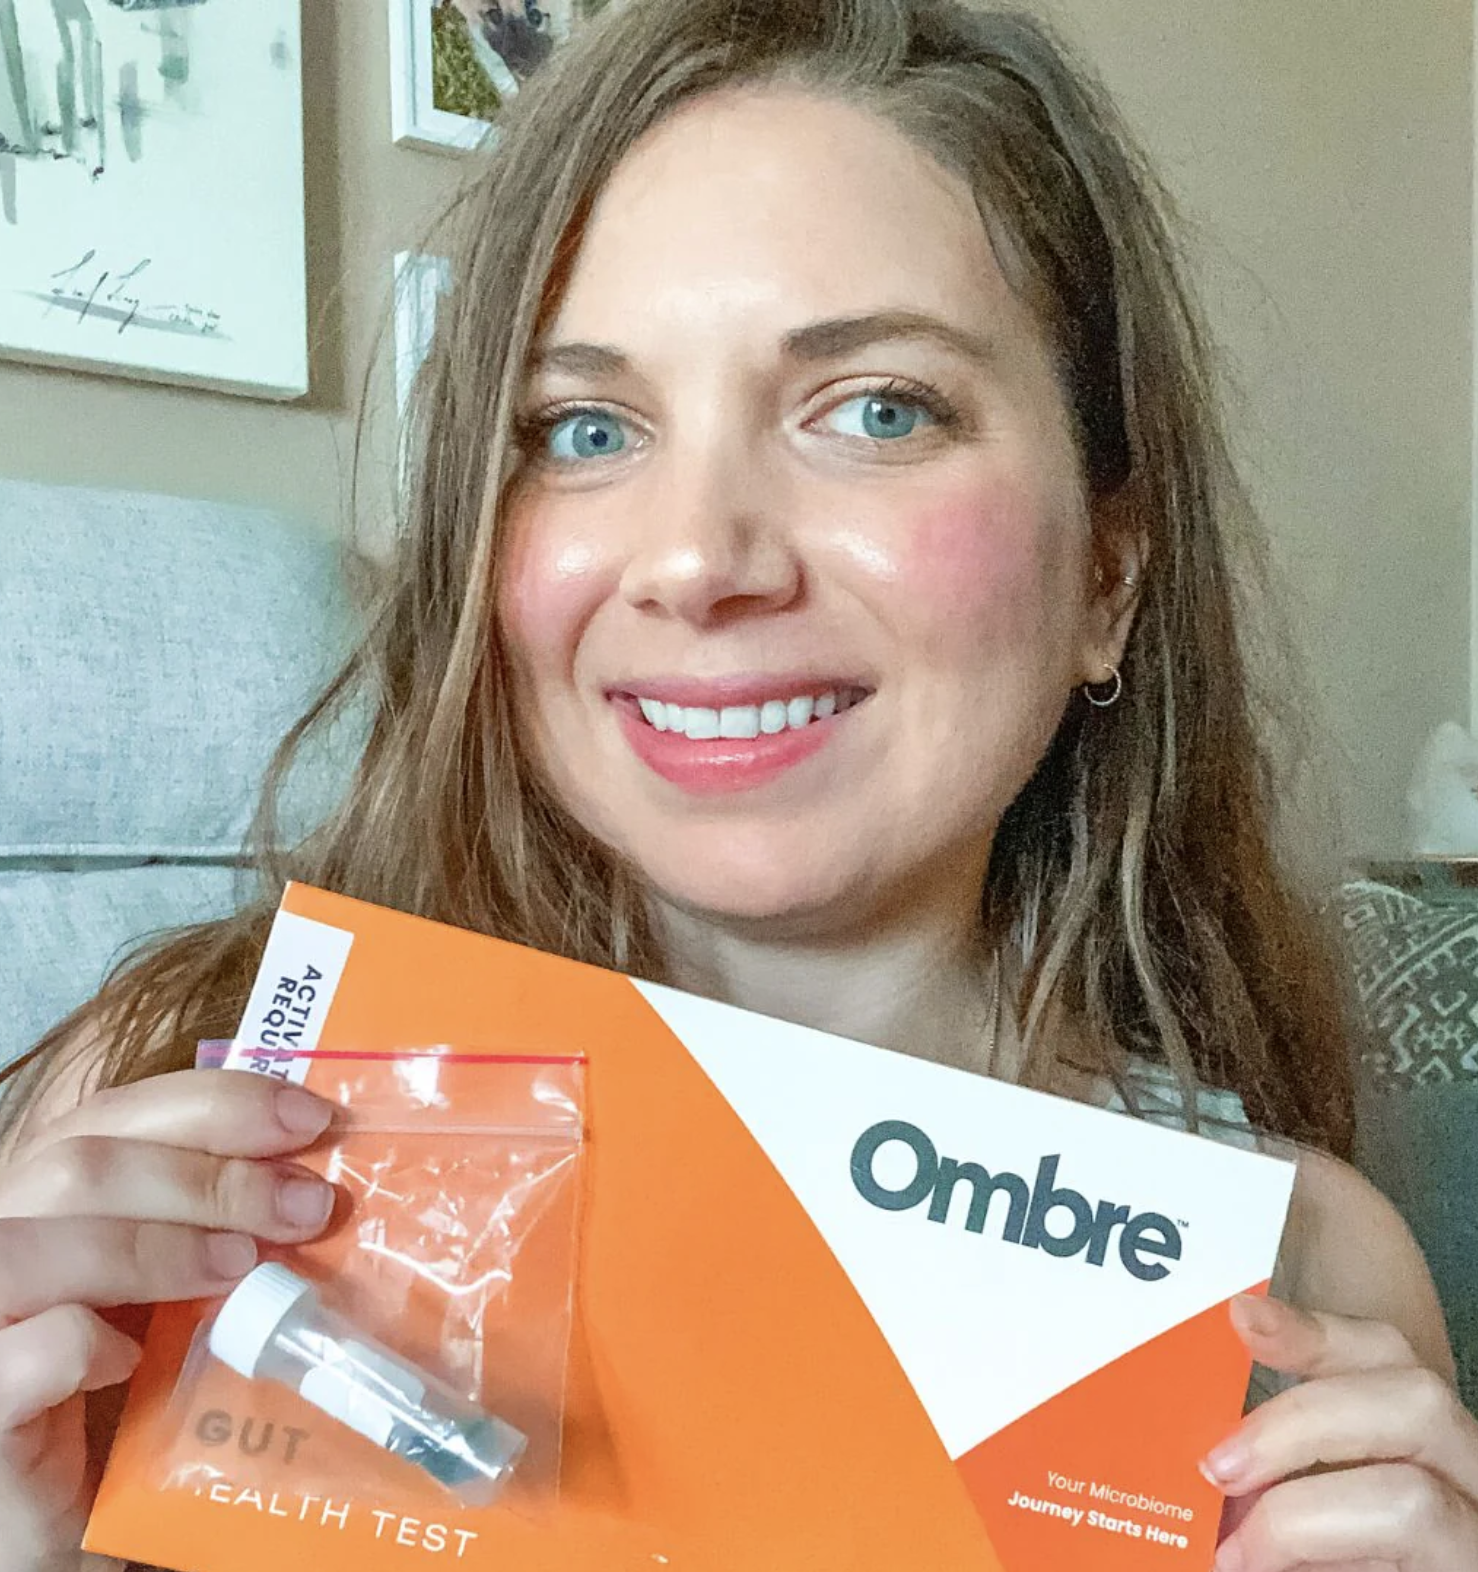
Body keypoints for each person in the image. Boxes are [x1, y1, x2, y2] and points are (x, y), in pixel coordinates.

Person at [1, 0, 1475, 1566]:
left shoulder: (1302, 1274)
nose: (699, 557)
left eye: (877, 410)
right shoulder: (175, 1125)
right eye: (584, 428)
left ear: (1107, 571)